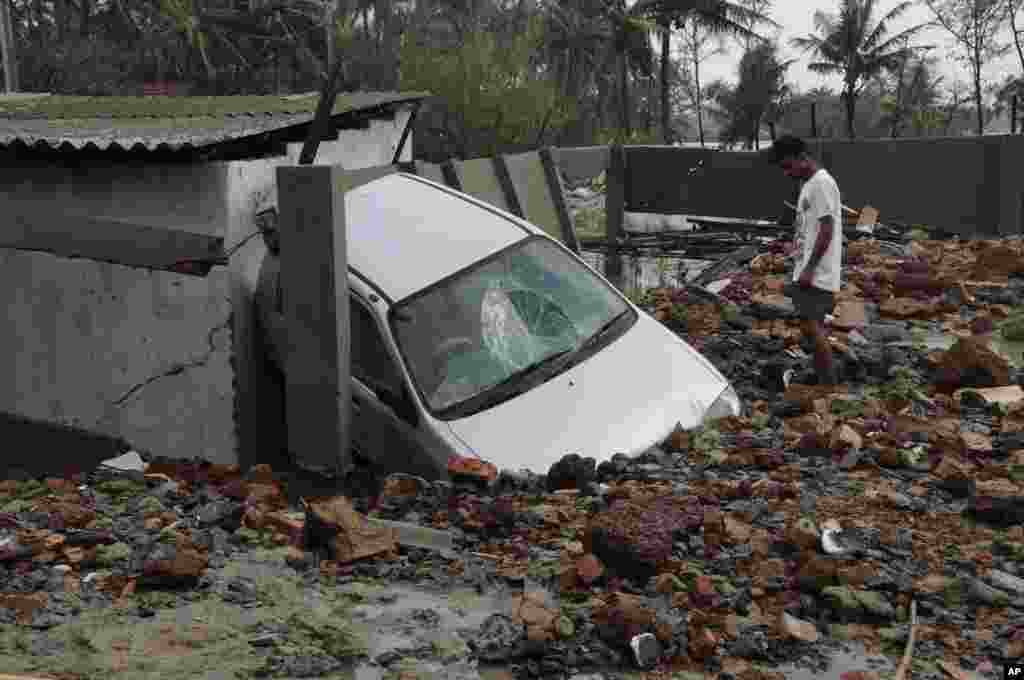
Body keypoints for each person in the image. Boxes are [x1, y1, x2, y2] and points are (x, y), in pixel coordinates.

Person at [770, 135, 843, 386]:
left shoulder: (821, 183)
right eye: (783, 169)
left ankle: (829, 386)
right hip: (809, 269)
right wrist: (795, 253)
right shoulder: (810, 184)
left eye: (788, 166)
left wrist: (810, 269)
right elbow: (810, 229)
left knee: (811, 327)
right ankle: (824, 378)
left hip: (817, 273)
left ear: (803, 158)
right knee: (811, 328)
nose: (787, 173)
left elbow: (827, 229)